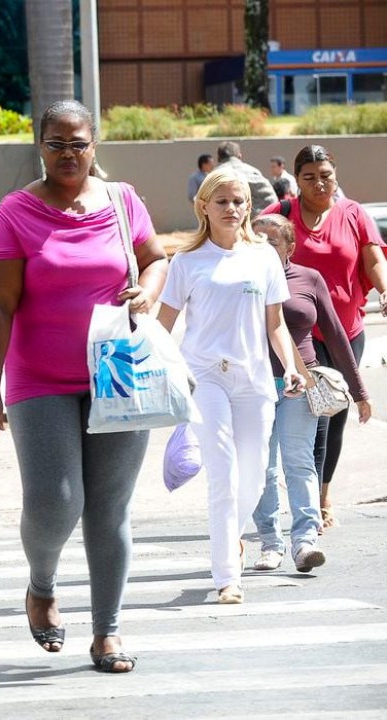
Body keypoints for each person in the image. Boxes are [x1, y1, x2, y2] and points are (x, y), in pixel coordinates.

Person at [0, 100, 168, 674]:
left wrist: (150, 290)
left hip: (117, 372)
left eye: (77, 143)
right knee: (57, 502)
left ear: (94, 144)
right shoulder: (16, 212)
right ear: (40, 145)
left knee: (109, 509)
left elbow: (155, 259)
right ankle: (42, 585)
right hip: (40, 378)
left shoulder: (121, 200)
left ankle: (107, 632)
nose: (67, 153)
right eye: (56, 143)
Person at [157, 168, 305, 606]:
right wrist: (167, 372)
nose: (232, 209)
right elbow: (163, 326)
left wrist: (290, 367)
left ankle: (232, 540)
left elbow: (274, 324)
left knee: (255, 477)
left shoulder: (263, 258)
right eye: (221, 201)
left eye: (239, 201)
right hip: (204, 377)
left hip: (255, 379)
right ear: (204, 205)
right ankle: (227, 575)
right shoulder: (185, 262)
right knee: (222, 474)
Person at [262, 145, 387, 530]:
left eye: (326, 175)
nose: (319, 183)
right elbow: (244, 243)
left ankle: (322, 492)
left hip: (345, 330)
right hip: (298, 332)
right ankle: (309, 503)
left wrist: (384, 289)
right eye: (309, 176)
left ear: (336, 175)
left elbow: (373, 257)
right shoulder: (280, 215)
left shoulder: (353, 213)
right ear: (295, 180)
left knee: (335, 413)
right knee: (311, 418)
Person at [250, 214, 370, 575]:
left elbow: (335, 333)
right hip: (252, 386)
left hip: (299, 383)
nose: (263, 248)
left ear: (290, 246)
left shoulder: (308, 278)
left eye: (272, 241)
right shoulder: (241, 280)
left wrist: (360, 390)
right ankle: (270, 543)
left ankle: (305, 542)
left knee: (299, 460)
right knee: (262, 467)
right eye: (256, 240)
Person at [215, 141, 276, 215]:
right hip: (253, 223)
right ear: (240, 156)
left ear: (218, 158)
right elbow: (271, 201)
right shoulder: (253, 172)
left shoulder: (213, 176)